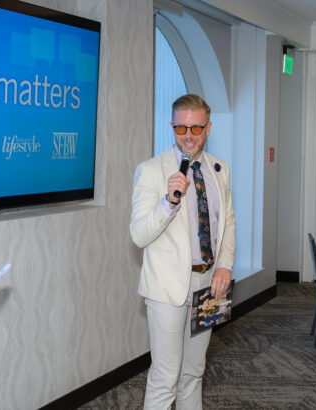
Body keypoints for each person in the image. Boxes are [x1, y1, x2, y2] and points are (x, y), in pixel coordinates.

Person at [130, 94, 236, 409]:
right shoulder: (151, 170)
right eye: (181, 129)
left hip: (209, 286)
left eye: (196, 128)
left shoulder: (220, 168)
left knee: (194, 372)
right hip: (167, 288)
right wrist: (169, 202)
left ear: (208, 127)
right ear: (172, 127)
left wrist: (225, 265)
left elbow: (227, 222)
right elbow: (138, 235)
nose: (188, 136)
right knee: (166, 378)